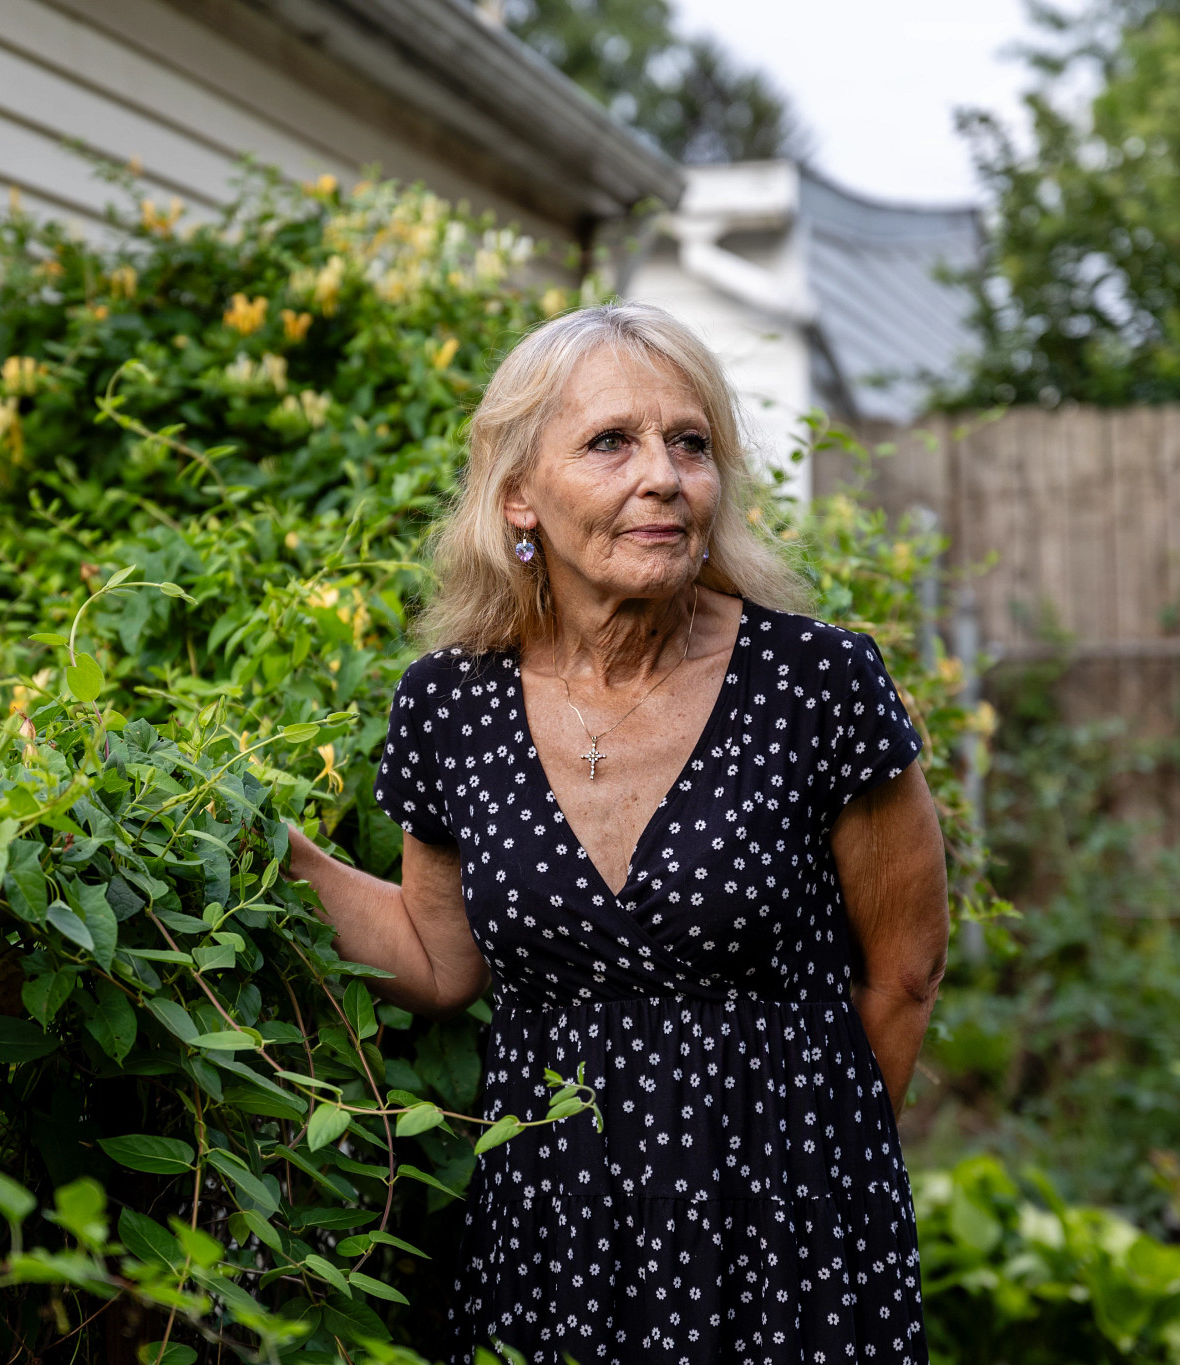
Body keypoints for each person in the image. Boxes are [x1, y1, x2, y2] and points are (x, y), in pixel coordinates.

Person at [284, 302, 949, 1364]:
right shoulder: (449, 705)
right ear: (519, 499)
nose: (664, 477)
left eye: (689, 444)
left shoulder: (815, 681)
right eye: (610, 443)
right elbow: (433, 956)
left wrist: (821, 1190)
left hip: (785, 1236)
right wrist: (270, 853)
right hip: (553, 1232)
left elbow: (904, 971)